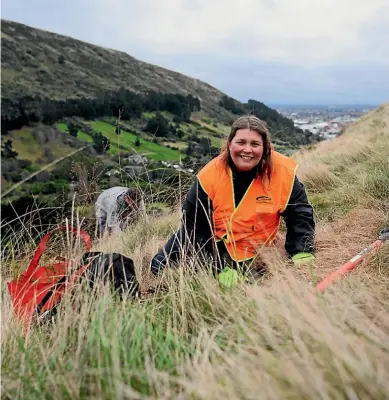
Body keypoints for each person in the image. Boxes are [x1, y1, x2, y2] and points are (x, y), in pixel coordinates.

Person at [150, 115, 316, 285]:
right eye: (241, 142)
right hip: (212, 242)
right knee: (158, 266)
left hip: (254, 247)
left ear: (266, 148)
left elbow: (299, 214)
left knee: (252, 283)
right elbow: (195, 229)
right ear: (229, 144)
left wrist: (302, 251)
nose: (247, 150)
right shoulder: (209, 176)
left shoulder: (283, 174)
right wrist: (217, 267)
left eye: (255, 144)